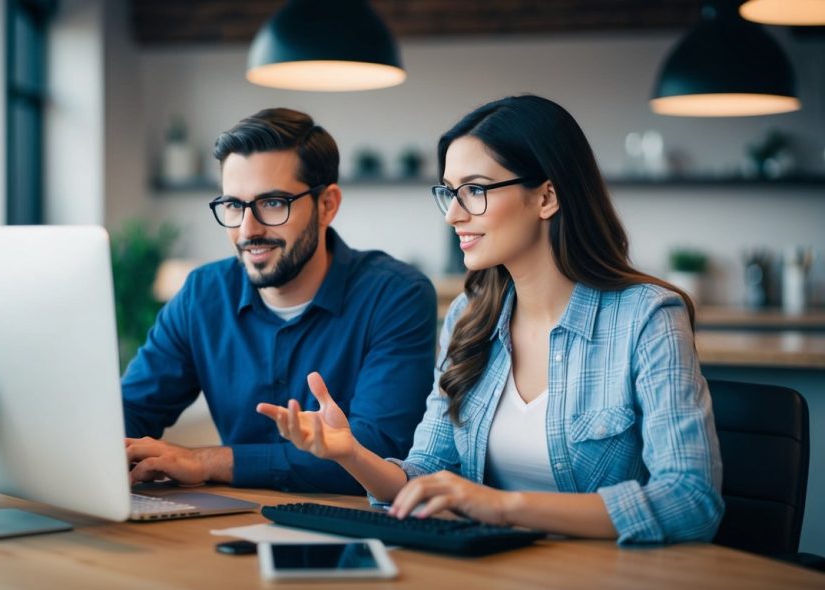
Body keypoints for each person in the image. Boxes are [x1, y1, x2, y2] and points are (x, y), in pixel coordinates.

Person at [258, 95, 724, 544]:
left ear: (546, 196)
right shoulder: (468, 318)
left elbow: (690, 501)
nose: (454, 215)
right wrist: (351, 453)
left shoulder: (647, 317)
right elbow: (425, 477)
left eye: (475, 190)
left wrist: (503, 506)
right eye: (450, 193)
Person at [122, 108, 437, 494]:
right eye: (234, 206)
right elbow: (130, 411)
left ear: (327, 205)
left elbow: (380, 451)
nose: (248, 229)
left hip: (350, 530)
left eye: (272, 203)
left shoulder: (395, 296)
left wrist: (205, 460)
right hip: (219, 528)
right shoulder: (201, 296)